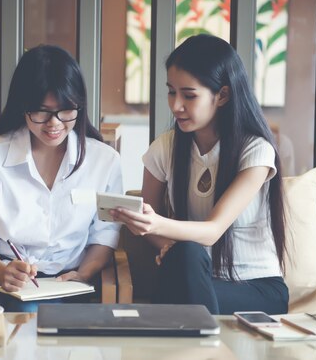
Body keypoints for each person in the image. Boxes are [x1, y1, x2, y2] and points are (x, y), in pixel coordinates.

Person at [111, 34, 288, 315]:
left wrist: (156, 225)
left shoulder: (255, 150)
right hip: (192, 277)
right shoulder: (165, 149)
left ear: (223, 95)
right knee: (185, 254)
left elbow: (212, 231)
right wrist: (166, 243)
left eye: (189, 95)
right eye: (171, 91)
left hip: (255, 287)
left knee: (186, 262)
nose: (175, 105)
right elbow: (154, 229)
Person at [0, 45, 122, 312]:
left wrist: (85, 274)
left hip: (64, 281)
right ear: (23, 106)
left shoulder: (104, 161)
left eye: (66, 110)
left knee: (31, 317)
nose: (54, 123)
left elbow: (104, 235)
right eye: (42, 112)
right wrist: (2, 272)